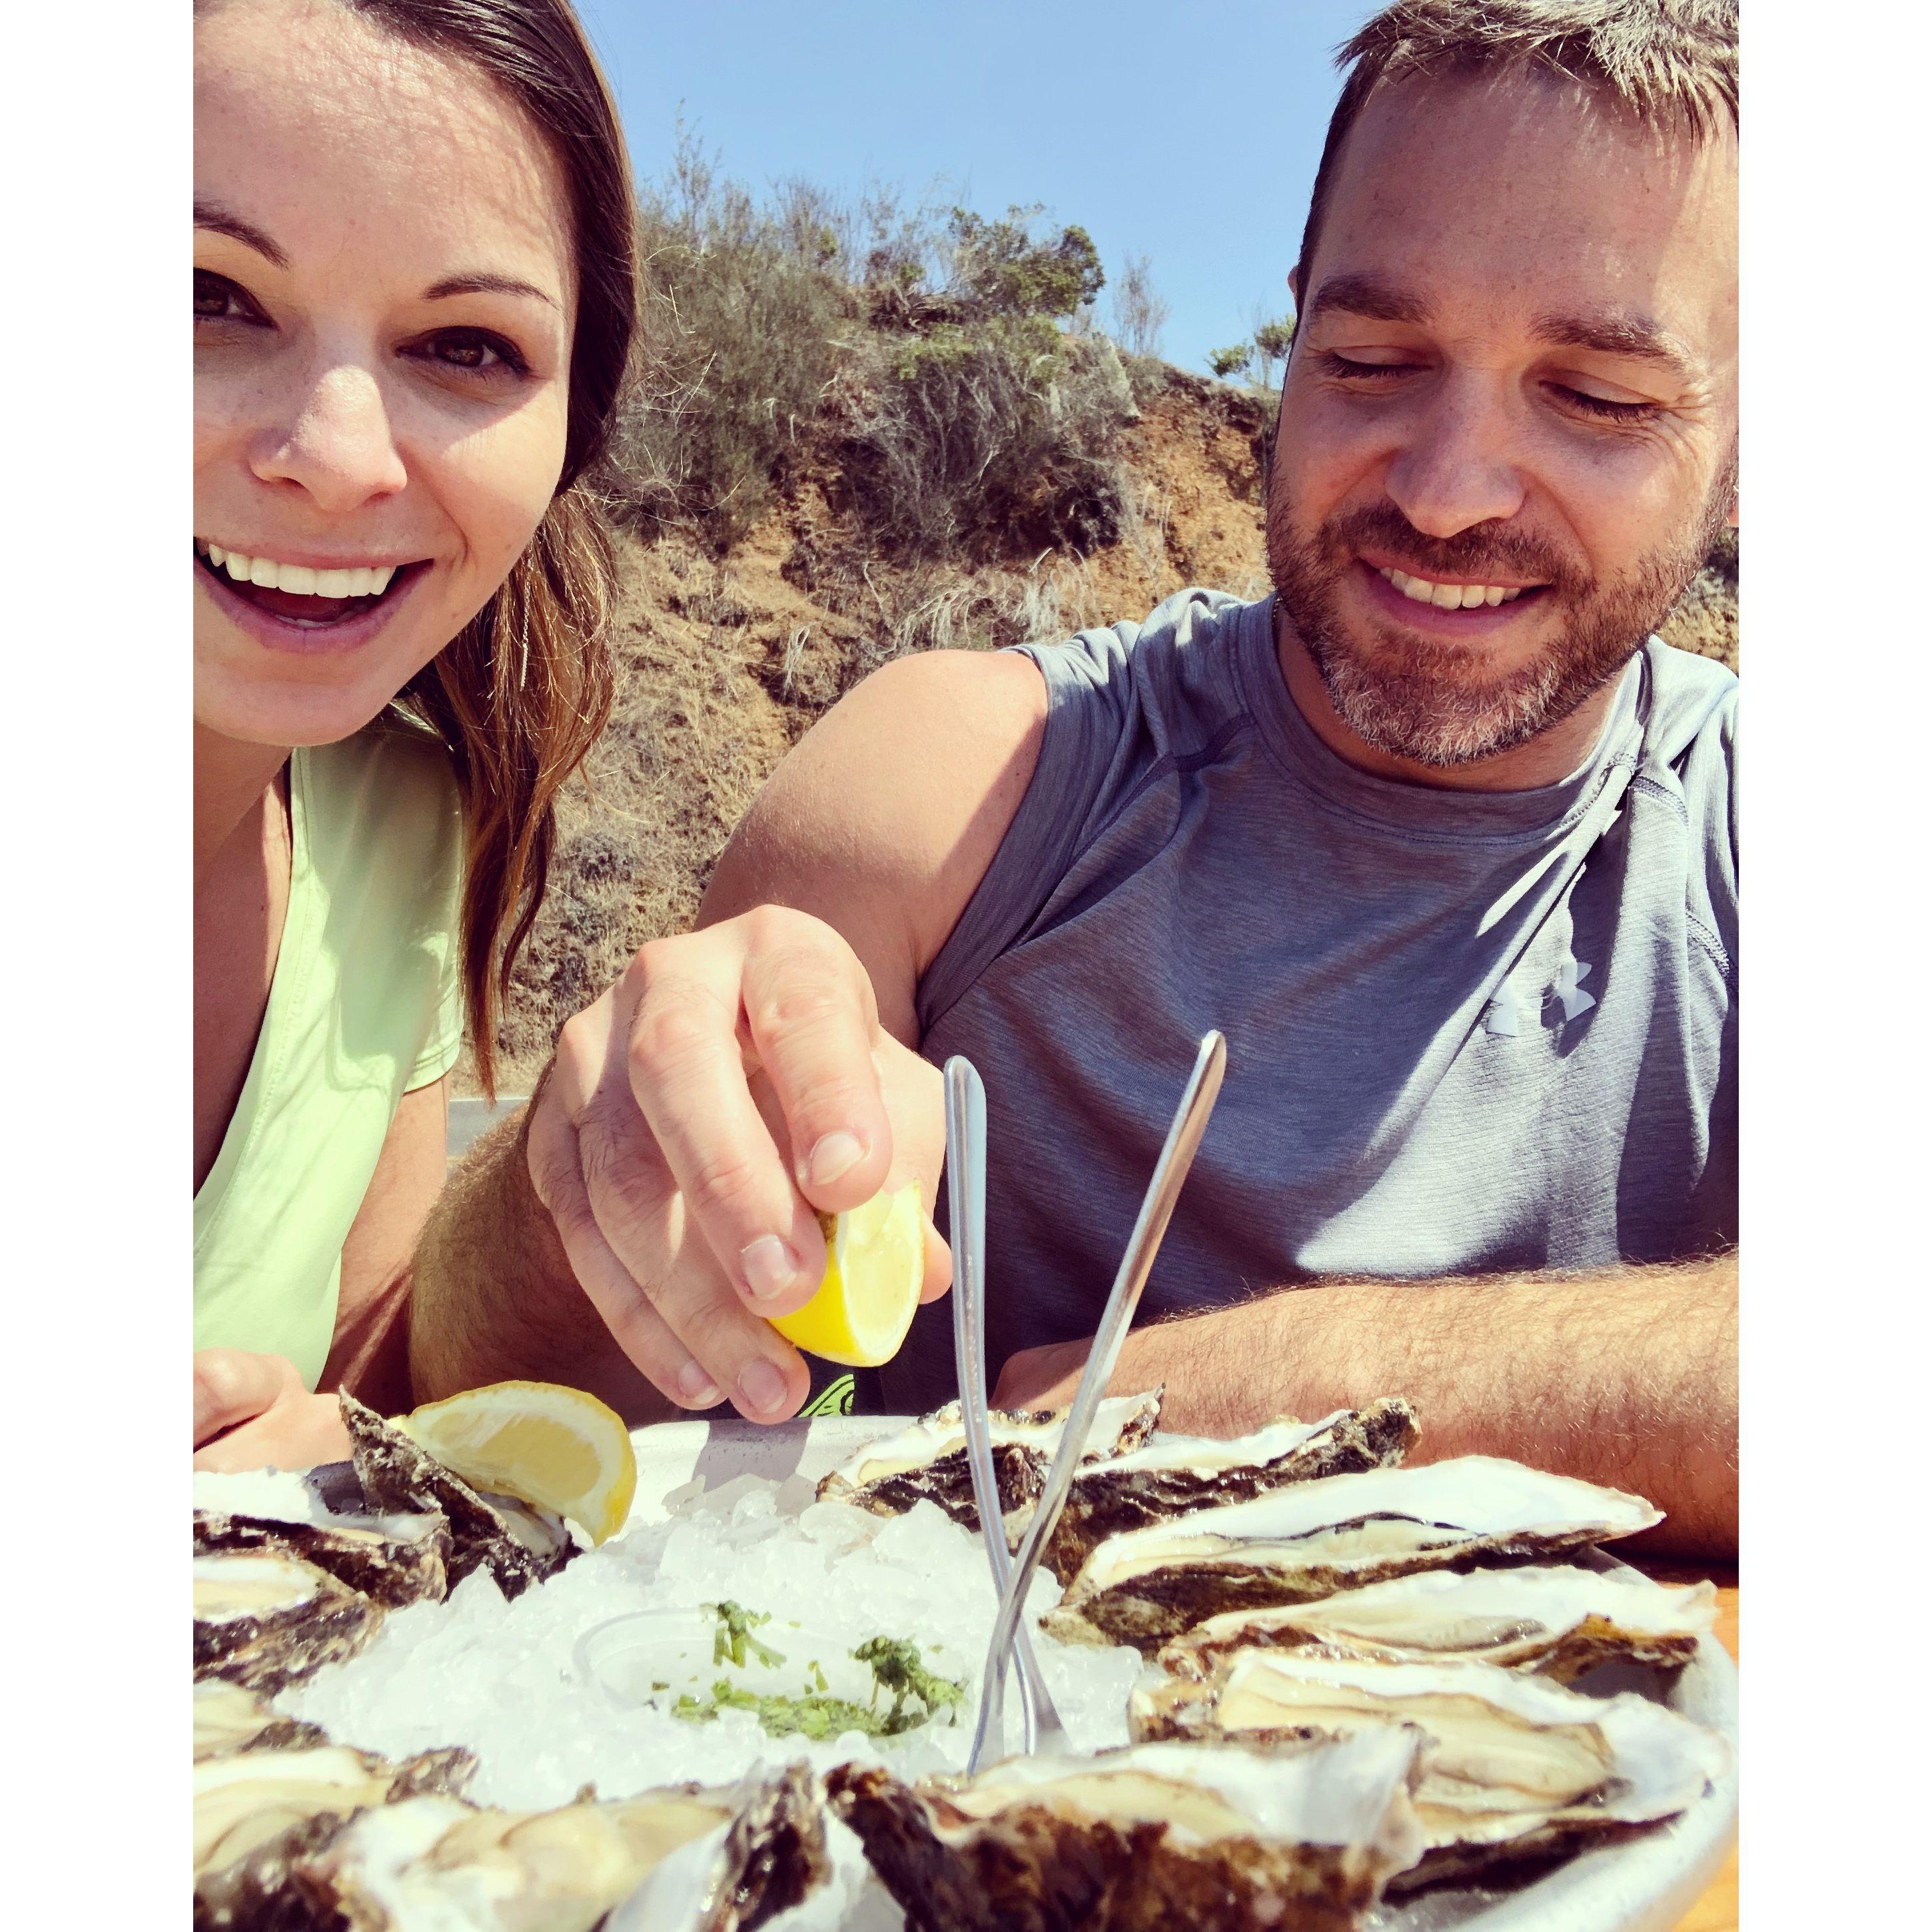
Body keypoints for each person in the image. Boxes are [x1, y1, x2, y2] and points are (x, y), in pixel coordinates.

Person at [412, 0, 1740, 1554]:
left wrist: (1242, 1395)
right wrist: (575, 1189)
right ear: (1293, 330)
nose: (1448, 493)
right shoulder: (959, 790)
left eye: (1596, 396)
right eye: (1374, 359)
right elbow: (500, 1402)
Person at [193, 0, 635, 1470]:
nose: (335, 459)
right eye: (204, 295)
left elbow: (359, 1372)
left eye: (463, 346)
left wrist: (590, 1169)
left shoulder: (403, 828)